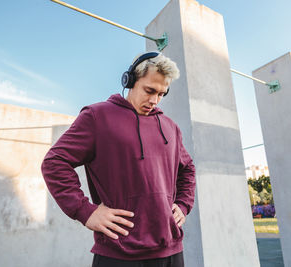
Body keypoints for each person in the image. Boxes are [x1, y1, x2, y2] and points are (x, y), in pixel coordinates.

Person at [41, 51, 196, 267]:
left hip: (170, 251)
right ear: (130, 80)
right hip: (118, 254)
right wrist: (85, 211)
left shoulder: (170, 127)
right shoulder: (97, 116)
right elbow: (54, 162)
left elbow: (187, 168)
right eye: (149, 90)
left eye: (161, 94)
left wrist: (183, 204)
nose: (154, 100)